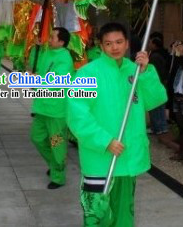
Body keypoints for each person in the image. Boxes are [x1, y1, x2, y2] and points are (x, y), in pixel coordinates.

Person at [68, 22, 167, 226]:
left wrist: (146, 71)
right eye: (108, 43)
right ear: (101, 46)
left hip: (128, 157)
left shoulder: (136, 70)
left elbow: (156, 98)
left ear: (127, 43)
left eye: (119, 42)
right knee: (97, 215)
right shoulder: (87, 74)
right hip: (100, 158)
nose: (115, 47)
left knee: (124, 214)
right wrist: (105, 141)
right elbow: (77, 115)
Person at [30, 27, 74, 189]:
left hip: (56, 111)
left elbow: (56, 83)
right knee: (37, 138)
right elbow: (35, 65)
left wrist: (37, 82)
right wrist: (37, 48)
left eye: (52, 37)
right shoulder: (48, 53)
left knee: (57, 144)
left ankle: (58, 176)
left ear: (61, 42)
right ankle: (55, 164)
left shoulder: (65, 59)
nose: (49, 39)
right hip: (41, 107)